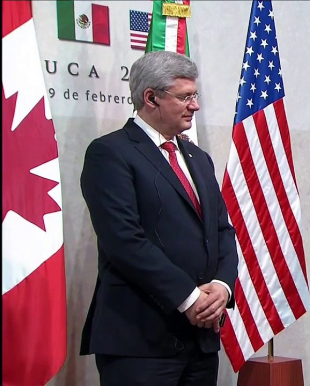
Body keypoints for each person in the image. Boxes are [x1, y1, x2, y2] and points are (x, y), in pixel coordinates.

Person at [79, 51, 238, 386]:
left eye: (195, 96)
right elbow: (124, 241)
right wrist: (190, 299)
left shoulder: (198, 158)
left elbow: (222, 230)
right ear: (150, 97)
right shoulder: (110, 153)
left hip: (201, 342)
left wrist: (222, 287)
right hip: (140, 341)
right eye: (184, 97)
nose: (194, 106)